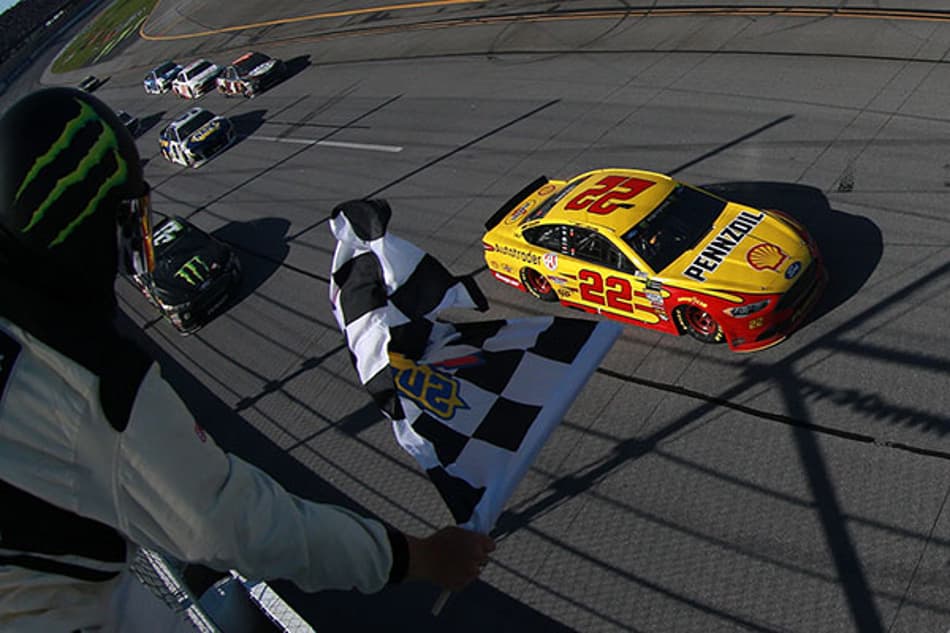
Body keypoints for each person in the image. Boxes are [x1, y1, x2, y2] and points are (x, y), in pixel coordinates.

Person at [0, 87, 495, 632]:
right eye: (128, 231)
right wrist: (416, 558)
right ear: (91, 228)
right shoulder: (89, 376)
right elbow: (235, 525)